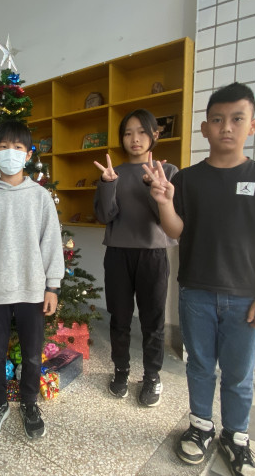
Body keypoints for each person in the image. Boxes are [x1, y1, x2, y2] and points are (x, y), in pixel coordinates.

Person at [144, 82, 255, 476]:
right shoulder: (189, 180)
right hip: (195, 293)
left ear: (253, 125)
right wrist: (164, 202)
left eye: (237, 119)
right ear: (205, 128)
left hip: (246, 297)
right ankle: (201, 426)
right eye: (217, 120)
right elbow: (177, 231)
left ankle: (236, 436)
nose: (226, 127)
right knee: (199, 365)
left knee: (238, 374)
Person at [0, 120, 65, 440]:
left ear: (28, 154)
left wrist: (52, 286)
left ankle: (29, 403)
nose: (11, 152)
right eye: (3, 147)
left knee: (33, 354)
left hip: (33, 290)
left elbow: (51, 242)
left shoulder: (40, 197)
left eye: (18, 147)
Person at [93, 108, 178, 407]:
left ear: (155, 134)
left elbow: (166, 219)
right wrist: (108, 184)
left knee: (153, 321)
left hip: (153, 255)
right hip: (118, 254)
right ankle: (121, 371)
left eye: (142, 132)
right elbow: (105, 216)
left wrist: (151, 184)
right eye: (128, 133)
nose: (135, 139)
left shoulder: (167, 171)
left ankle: (152, 376)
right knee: (119, 318)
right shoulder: (112, 172)